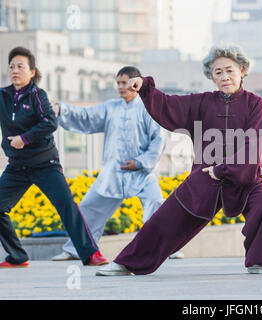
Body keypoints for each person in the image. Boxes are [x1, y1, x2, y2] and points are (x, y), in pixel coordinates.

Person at [96, 44, 262, 276]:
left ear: (242, 71)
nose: (224, 77)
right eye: (218, 72)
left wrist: (223, 170)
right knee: (166, 216)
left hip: (246, 176)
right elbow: (169, 105)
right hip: (206, 175)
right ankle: (126, 262)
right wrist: (145, 88)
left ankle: (259, 261)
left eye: (230, 71)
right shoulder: (201, 102)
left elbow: (252, 147)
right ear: (211, 76)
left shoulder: (256, 104)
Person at [49, 66, 184, 261]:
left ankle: (169, 248)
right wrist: (61, 109)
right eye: (118, 83)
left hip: (142, 173)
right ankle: (76, 249)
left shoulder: (148, 108)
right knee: (89, 207)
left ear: (136, 83)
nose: (121, 87)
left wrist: (140, 162)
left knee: (155, 203)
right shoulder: (110, 107)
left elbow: (158, 140)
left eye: (125, 83)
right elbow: (86, 116)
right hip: (112, 173)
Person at [0, 46, 108, 268]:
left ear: (32, 72)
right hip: (17, 166)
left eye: (20, 66)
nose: (15, 70)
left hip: (45, 164)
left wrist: (25, 138)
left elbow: (50, 122)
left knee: (67, 206)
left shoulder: (37, 95)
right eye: (11, 66)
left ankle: (90, 254)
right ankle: (17, 256)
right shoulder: (2, 96)